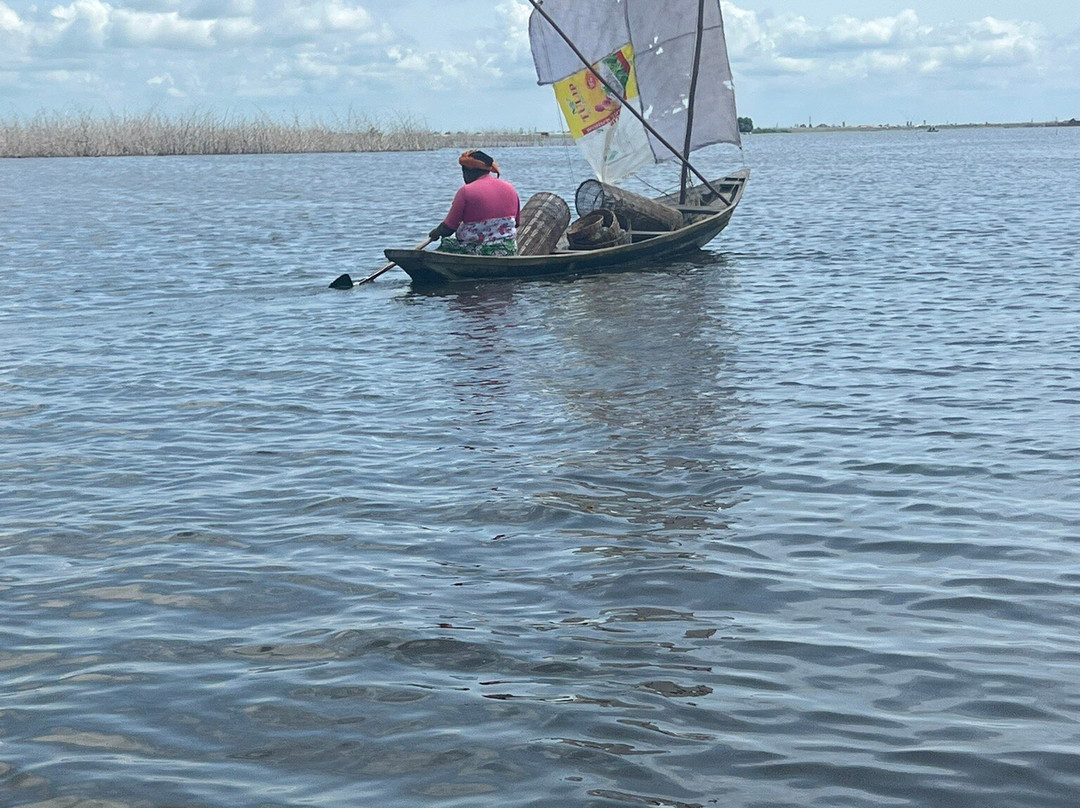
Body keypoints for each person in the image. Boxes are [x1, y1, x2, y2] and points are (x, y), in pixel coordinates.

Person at [428, 150, 520, 255]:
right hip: (507, 250)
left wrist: (437, 232)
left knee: (446, 244)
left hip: (476, 251)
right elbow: (517, 222)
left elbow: (449, 227)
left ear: (467, 171)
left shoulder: (466, 191)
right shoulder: (510, 188)